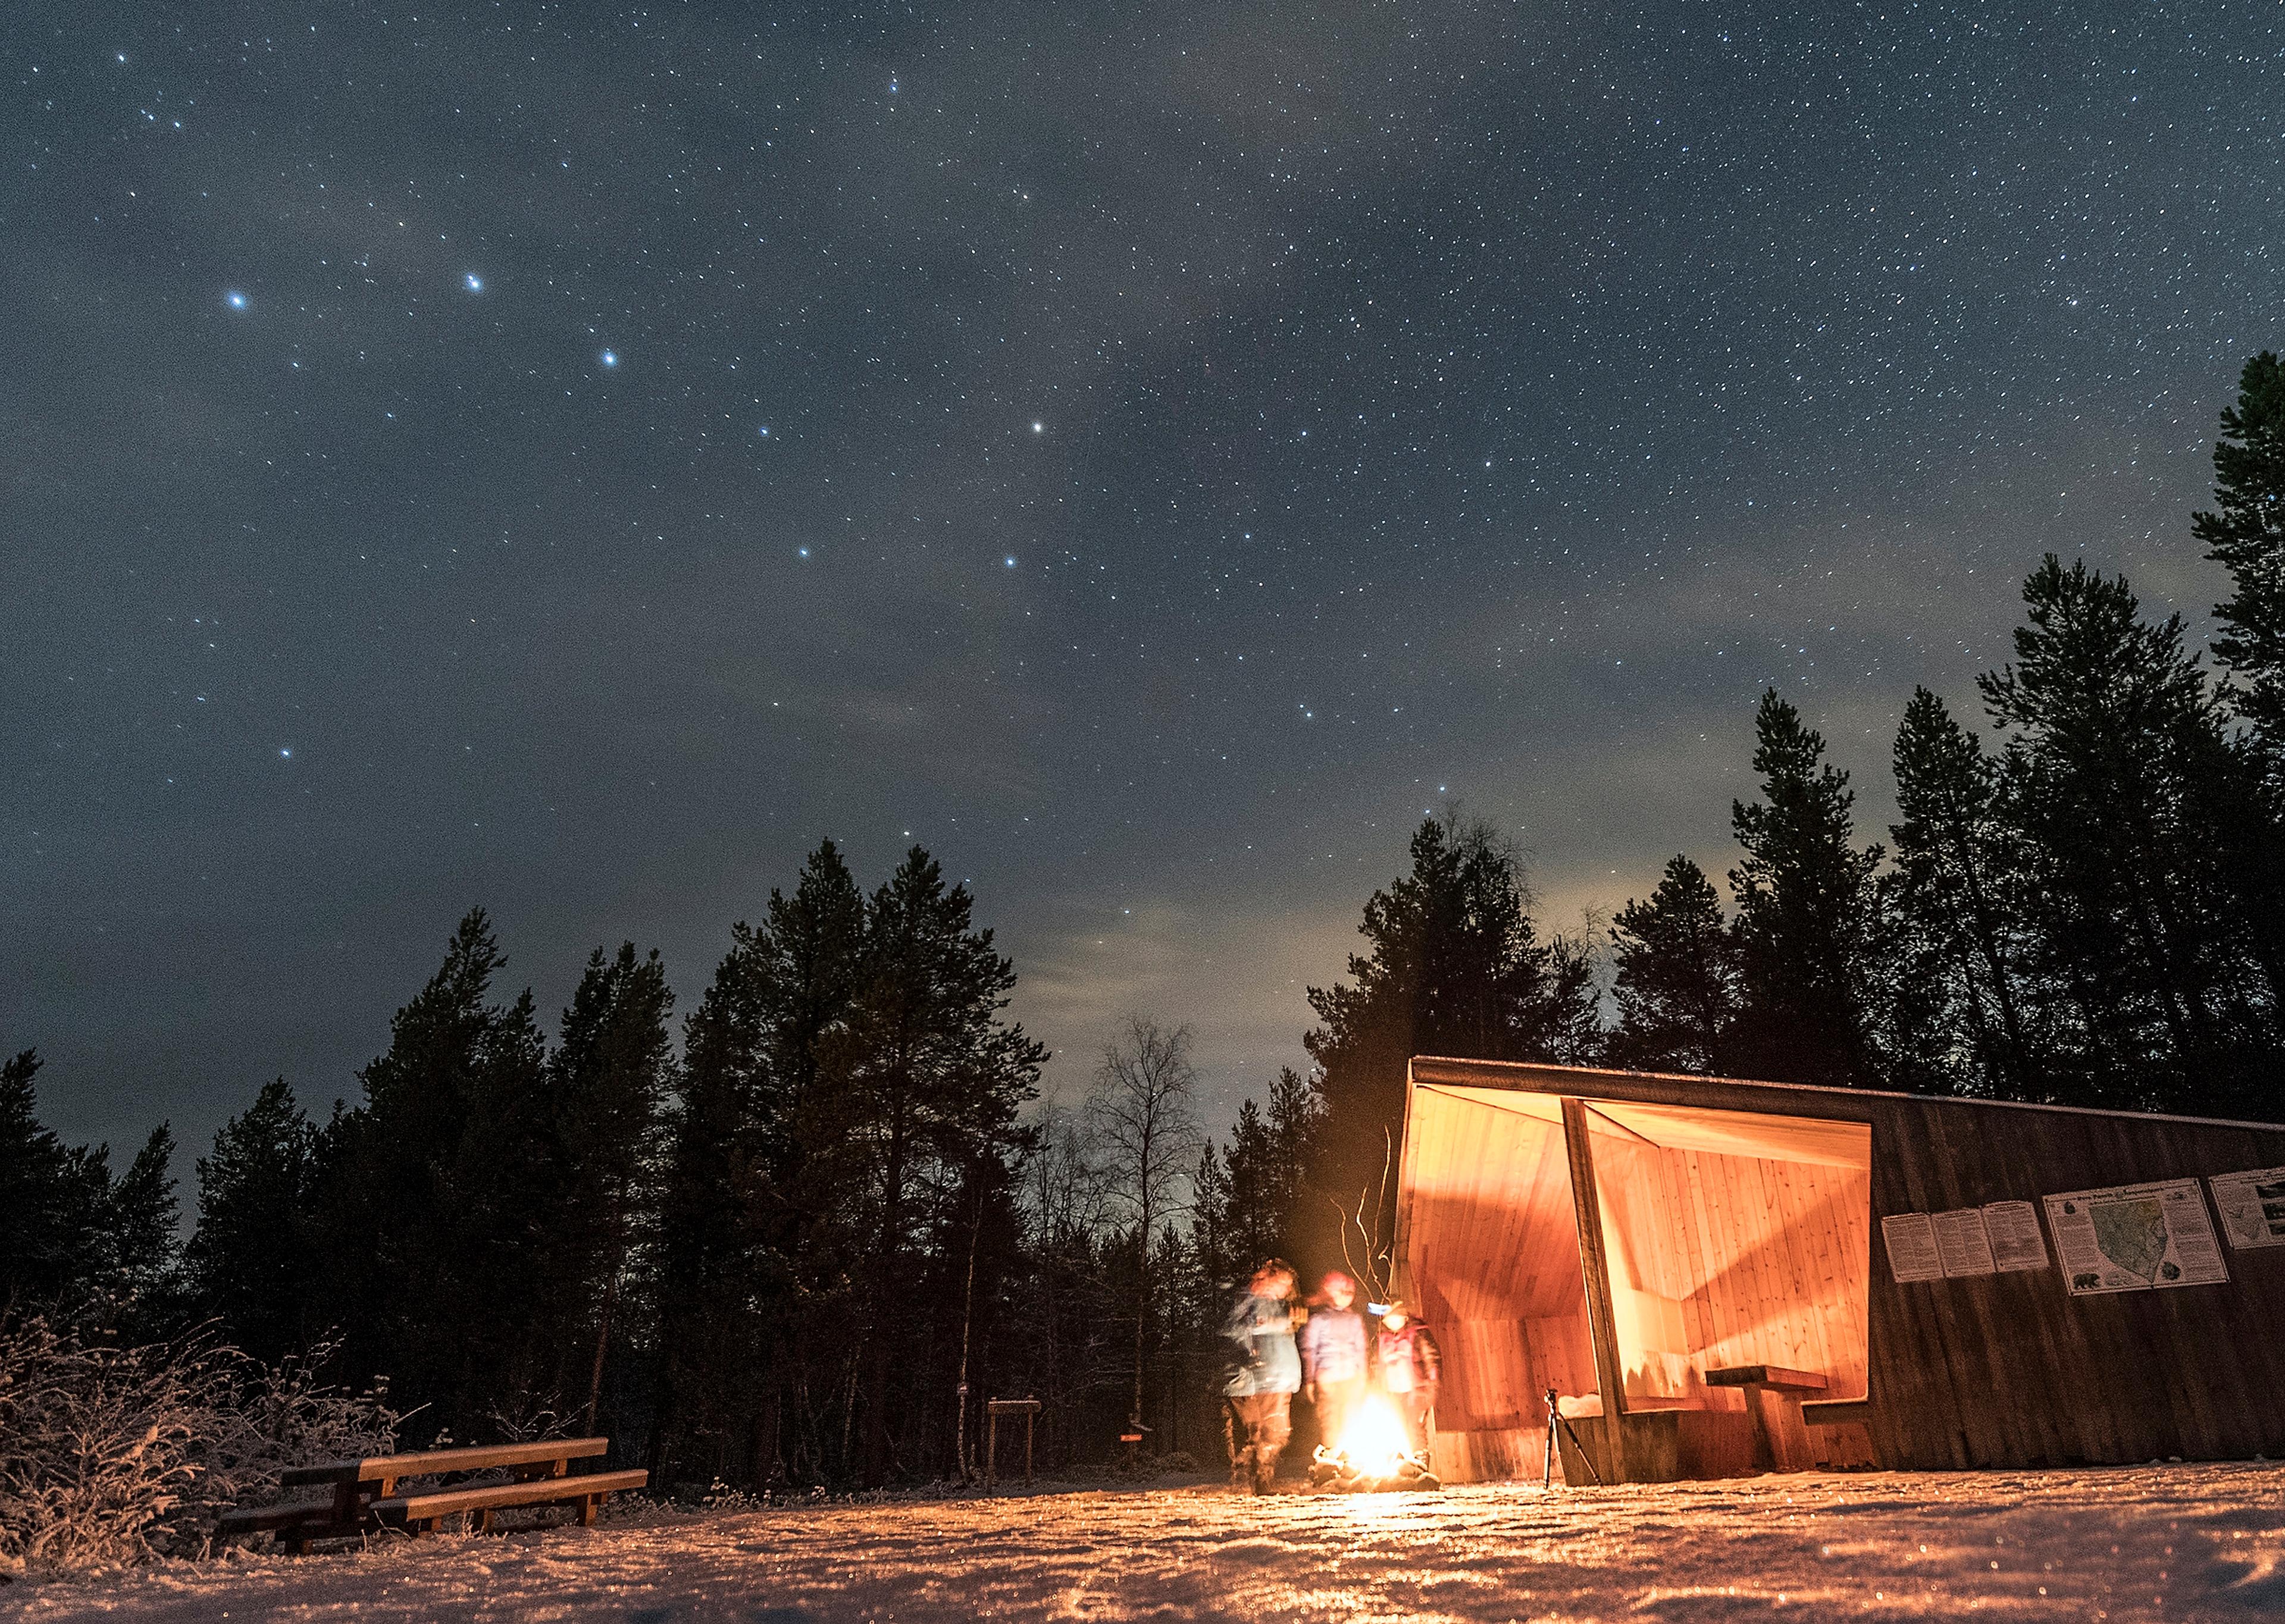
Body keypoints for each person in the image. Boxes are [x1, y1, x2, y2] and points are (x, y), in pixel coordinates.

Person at [1221, 1260, 1301, 1493]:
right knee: (1270, 1432)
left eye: (1288, 1285)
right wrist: (1284, 1323)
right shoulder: (1253, 1303)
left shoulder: (1275, 1306)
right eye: (1283, 1283)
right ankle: (1256, 1482)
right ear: (1267, 1280)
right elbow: (1247, 1330)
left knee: (1274, 1432)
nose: (1287, 1289)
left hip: (1280, 1377)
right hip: (1268, 1378)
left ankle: (1258, 1480)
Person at [1298, 1270, 1369, 1453]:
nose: (1347, 1297)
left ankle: (1349, 1455)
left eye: (1349, 1294)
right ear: (1331, 1293)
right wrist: (1309, 1380)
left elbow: (1362, 1350)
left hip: (1348, 1377)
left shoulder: (1354, 1319)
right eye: (1343, 1293)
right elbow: (1310, 1351)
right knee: (1330, 1417)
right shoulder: (1319, 1320)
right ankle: (1332, 1456)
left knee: (1347, 1416)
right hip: (1330, 1377)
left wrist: (1362, 1376)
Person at [1375, 1300, 1442, 1456]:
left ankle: (1420, 1462)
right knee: (1394, 1426)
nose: (1392, 1322)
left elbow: (1432, 1358)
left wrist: (1432, 1384)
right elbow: (1378, 1364)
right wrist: (1378, 1387)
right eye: (1388, 1319)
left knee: (1415, 1428)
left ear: (1404, 1317)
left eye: (1395, 1317)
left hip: (1416, 1390)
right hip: (1392, 1392)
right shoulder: (1384, 1338)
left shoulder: (1418, 1332)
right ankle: (1401, 1466)